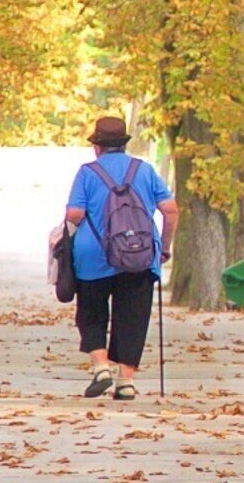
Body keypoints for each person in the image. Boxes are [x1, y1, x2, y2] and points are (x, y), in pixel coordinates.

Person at [60, 116, 175, 400]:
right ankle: (126, 381)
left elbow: (74, 214)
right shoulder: (144, 170)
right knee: (133, 317)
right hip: (139, 255)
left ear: (97, 147)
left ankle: (101, 368)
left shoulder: (87, 173)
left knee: (92, 312)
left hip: (93, 255)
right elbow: (170, 210)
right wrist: (164, 247)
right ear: (123, 144)